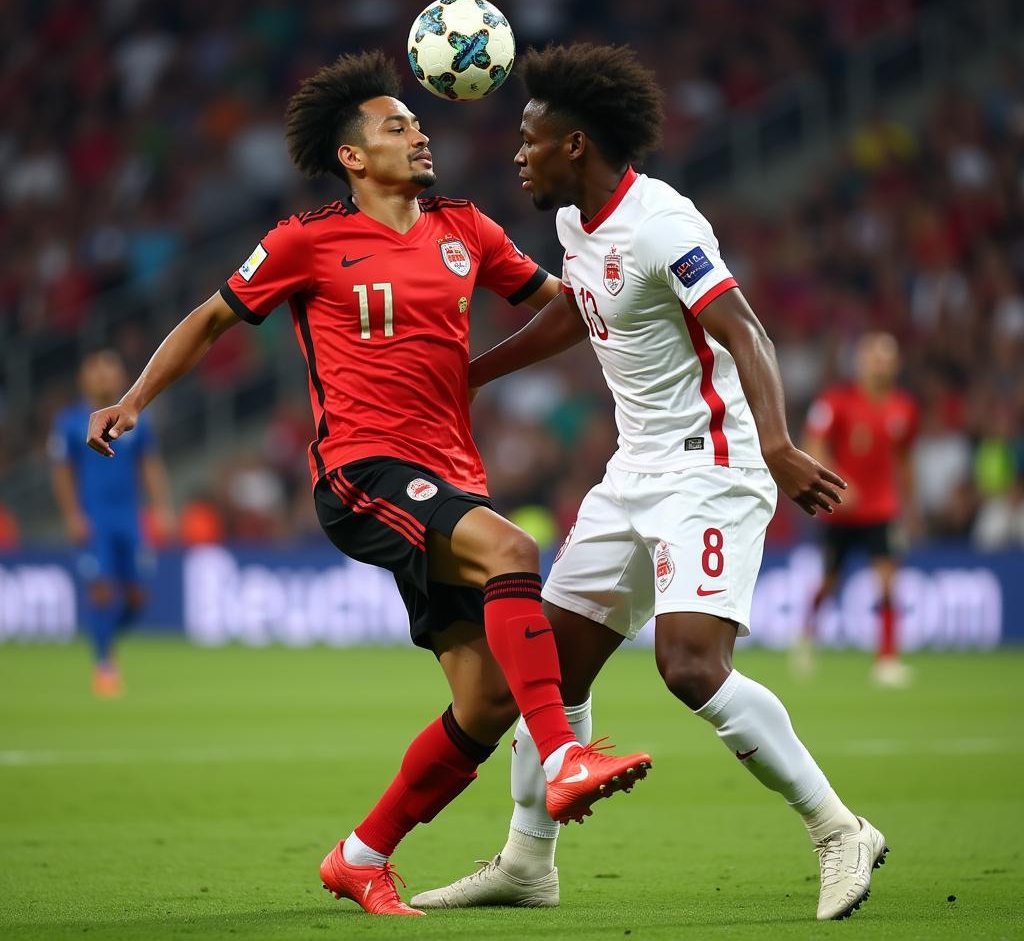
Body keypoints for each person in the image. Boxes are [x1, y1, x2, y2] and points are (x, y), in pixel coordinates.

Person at [85, 51, 650, 917]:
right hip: (360, 469)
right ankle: (566, 755)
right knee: (512, 547)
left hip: (450, 475)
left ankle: (360, 855)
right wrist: (132, 399)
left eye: (419, 124)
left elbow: (563, 307)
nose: (420, 134)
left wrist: (488, 367)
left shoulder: (468, 229)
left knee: (486, 699)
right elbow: (207, 322)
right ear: (353, 156)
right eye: (397, 126)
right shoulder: (306, 241)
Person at [410, 44, 886, 922]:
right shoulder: (573, 226)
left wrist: (777, 444)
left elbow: (748, 333)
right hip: (634, 470)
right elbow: (576, 312)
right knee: (544, 669)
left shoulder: (664, 225)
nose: (518, 154)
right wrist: (476, 374)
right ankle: (527, 864)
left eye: (531, 139)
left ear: (577, 145)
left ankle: (838, 829)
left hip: (712, 468)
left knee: (691, 667)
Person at [49, 349, 174, 697]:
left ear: (121, 377)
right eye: (96, 369)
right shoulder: (71, 422)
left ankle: (108, 642)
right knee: (102, 591)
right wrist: (73, 515)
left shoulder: (134, 420)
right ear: (84, 378)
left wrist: (162, 508)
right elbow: (62, 473)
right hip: (95, 518)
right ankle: (104, 664)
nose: (104, 375)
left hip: (129, 518)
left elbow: (150, 466)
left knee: (137, 596)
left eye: (110, 369)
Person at [798, 332, 919, 686]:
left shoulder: (904, 408)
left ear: (896, 365)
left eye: (886, 358)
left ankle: (886, 659)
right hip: (842, 508)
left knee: (887, 580)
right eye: (873, 357)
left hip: (883, 508)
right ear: (861, 362)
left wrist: (910, 507)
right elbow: (812, 444)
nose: (879, 364)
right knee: (830, 581)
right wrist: (838, 482)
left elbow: (905, 460)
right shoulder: (836, 402)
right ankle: (806, 636)